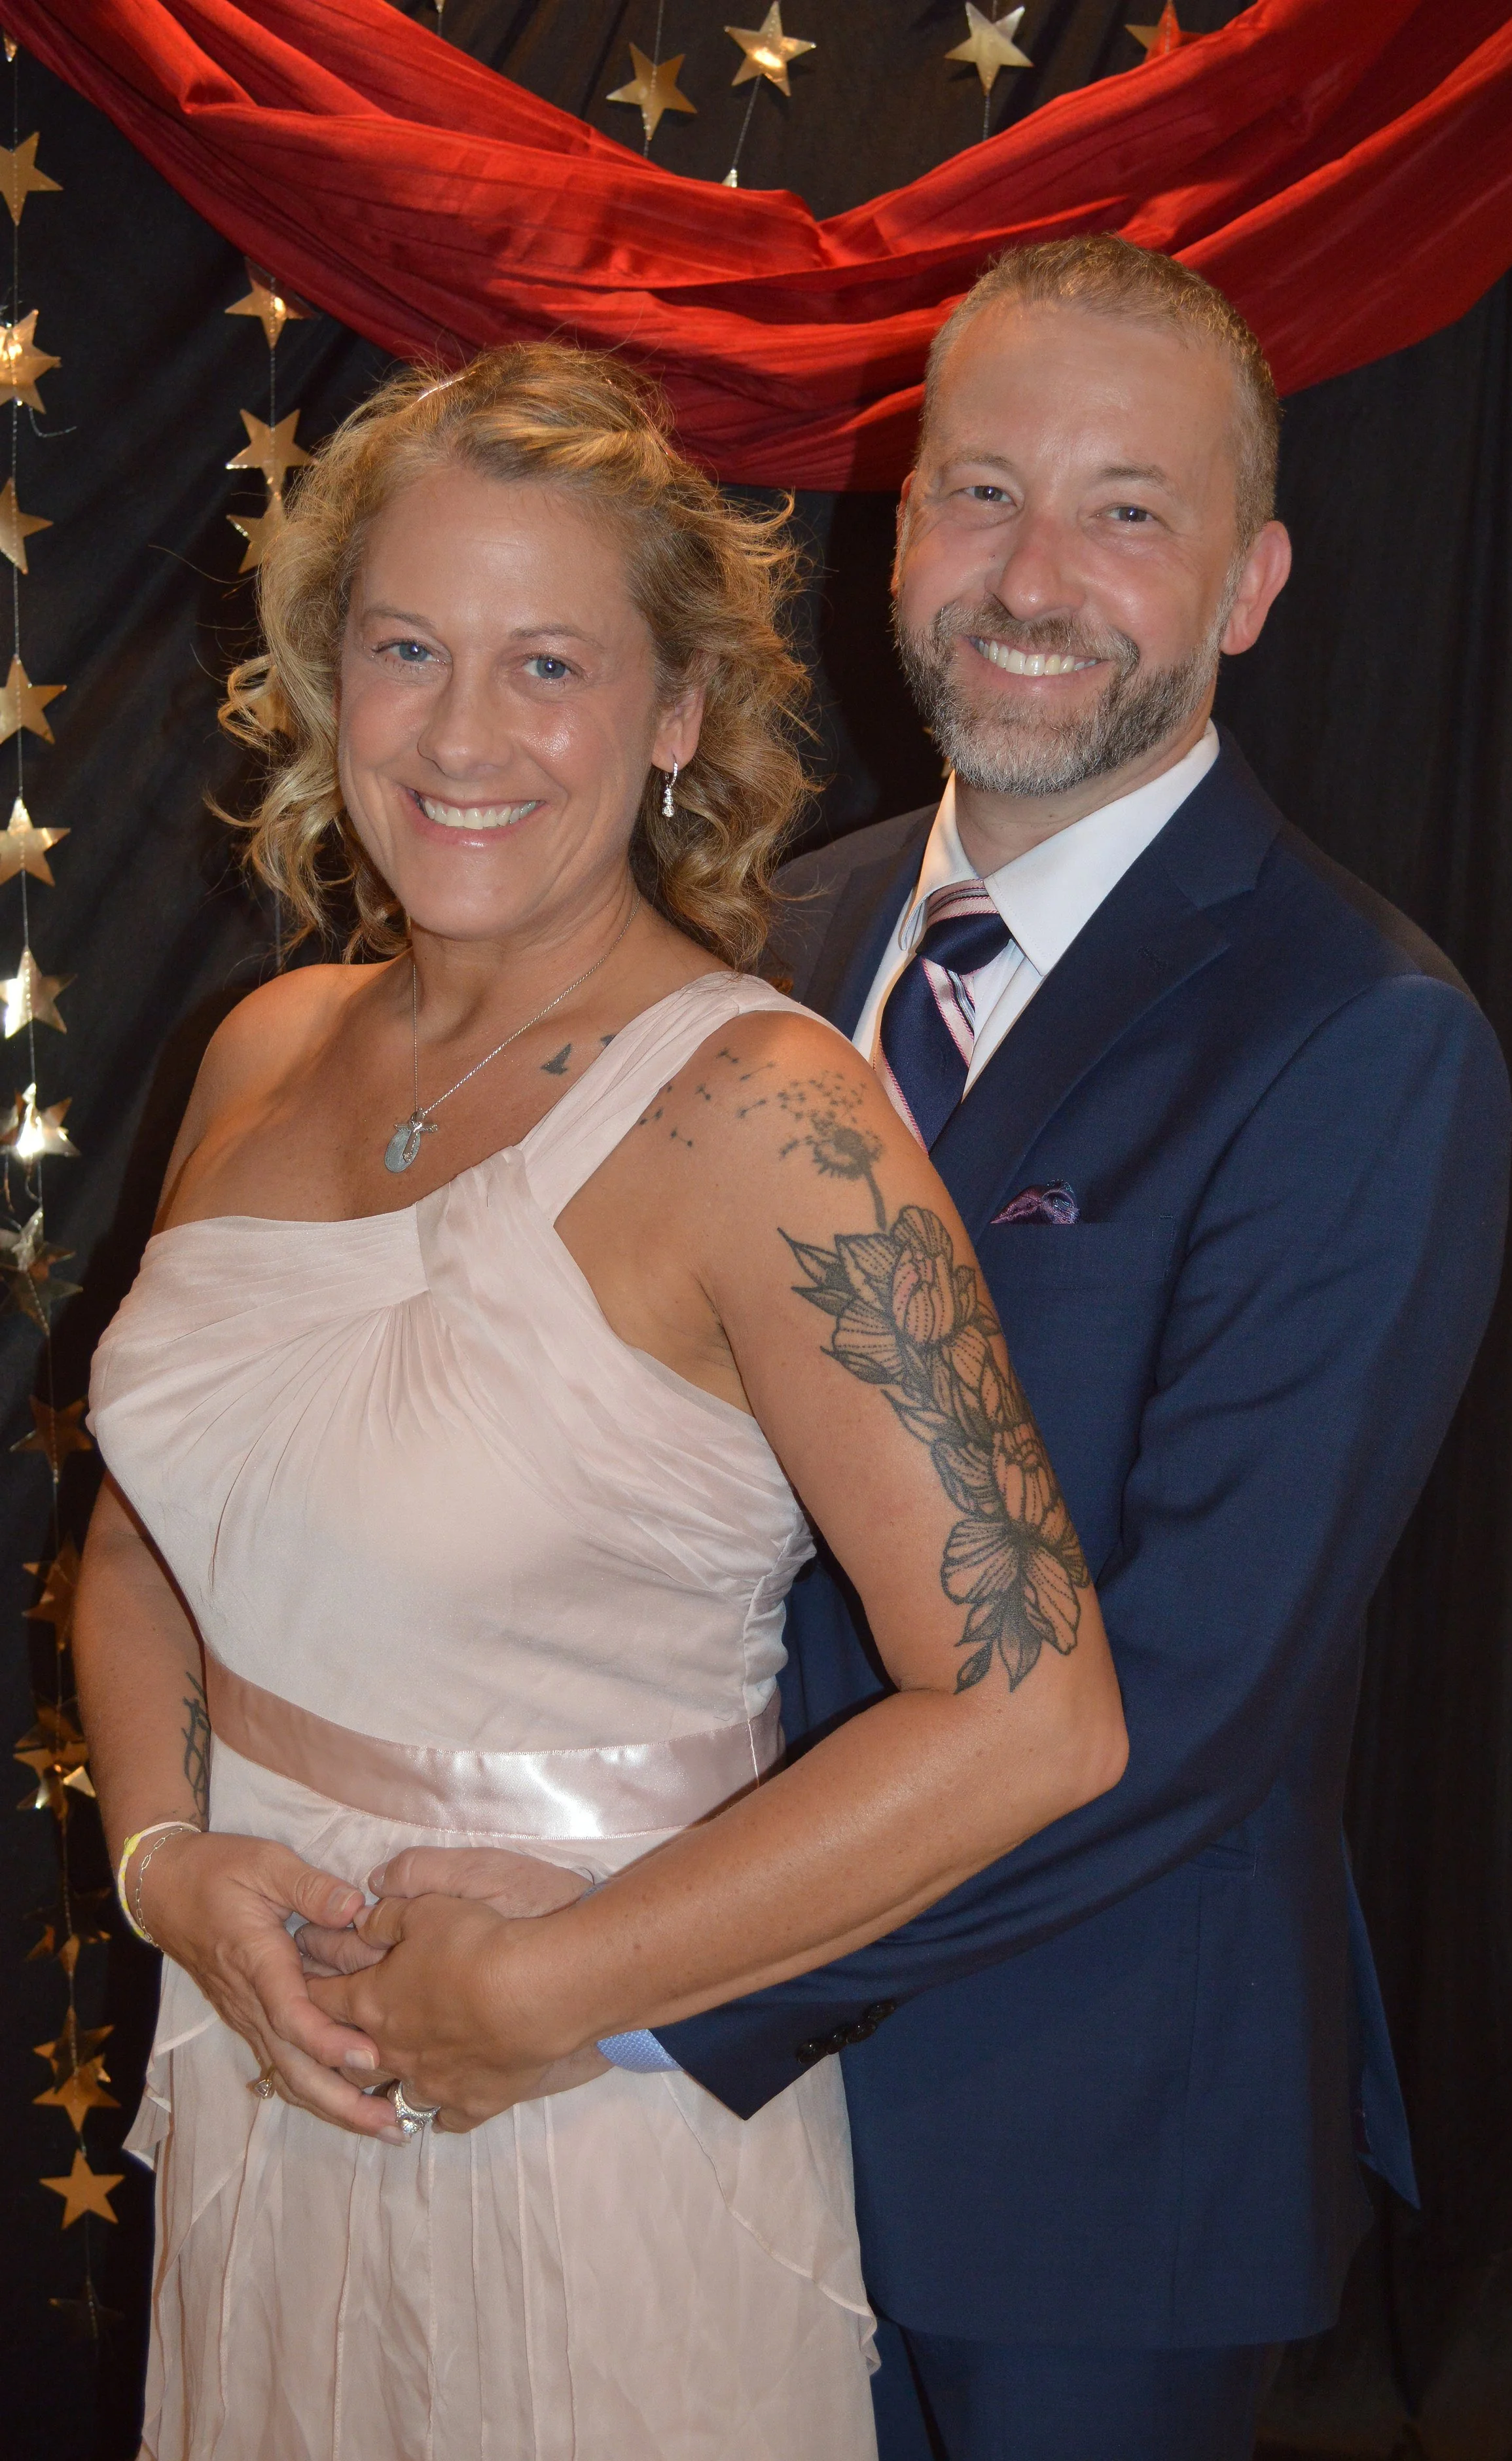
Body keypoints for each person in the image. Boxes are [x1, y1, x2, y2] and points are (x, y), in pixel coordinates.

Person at [319, 239, 1512, 2460]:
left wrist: (627, 1999)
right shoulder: (762, 941)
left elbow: (1181, 1708)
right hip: (654, 2147)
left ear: (1247, 583)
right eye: (976, 495)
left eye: (1122, 513)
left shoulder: (1360, 1040)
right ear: (893, 535)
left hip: (1073, 2156)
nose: (1031, 576)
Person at [75, 343, 1128, 2460]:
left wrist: (550, 1995)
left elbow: (1036, 1714)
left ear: (672, 717)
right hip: (255, 2075)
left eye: (547, 661)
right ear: (328, 677)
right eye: (406, 648)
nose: (463, 736)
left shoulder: (768, 1114)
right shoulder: (266, 1048)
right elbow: (139, 1545)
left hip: (577, 2132)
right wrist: (168, 1865)